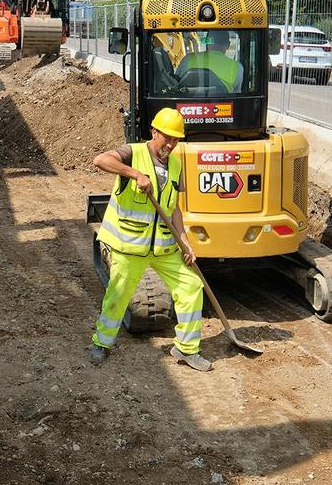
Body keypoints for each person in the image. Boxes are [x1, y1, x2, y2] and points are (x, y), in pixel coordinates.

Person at [89, 107, 212, 372]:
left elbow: (174, 208)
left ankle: (186, 349)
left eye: (176, 139)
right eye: (166, 137)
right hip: (129, 246)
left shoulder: (177, 164)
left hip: (164, 248)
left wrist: (185, 241)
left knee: (191, 286)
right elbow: (100, 160)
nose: (171, 144)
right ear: (154, 131)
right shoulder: (133, 154)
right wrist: (134, 174)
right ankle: (101, 343)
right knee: (118, 296)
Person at [175, 30, 244, 92]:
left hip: (187, 104)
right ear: (228, 45)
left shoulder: (188, 59)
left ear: (207, 42)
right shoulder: (237, 67)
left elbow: (175, 83)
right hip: (221, 105)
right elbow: (236, 95)